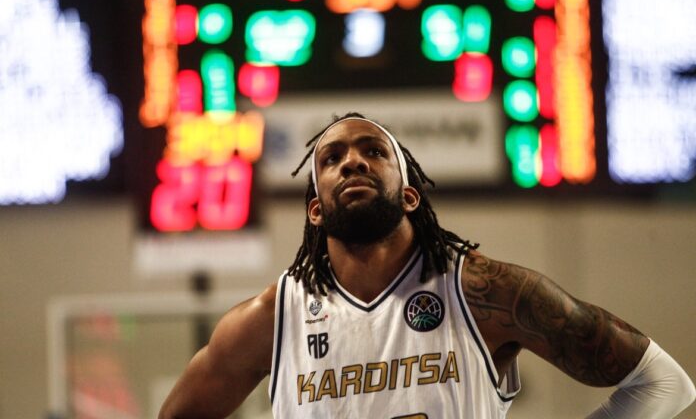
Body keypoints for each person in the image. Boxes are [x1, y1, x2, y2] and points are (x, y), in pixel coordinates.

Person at [159, 113, 695, 418]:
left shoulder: (487, 293)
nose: (353, 161)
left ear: (410, 195)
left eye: (373, 151)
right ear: (315, 209)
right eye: (332, 158)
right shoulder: (271, 319)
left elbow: (663, 383)